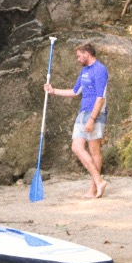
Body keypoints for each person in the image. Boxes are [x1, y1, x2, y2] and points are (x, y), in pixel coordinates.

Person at [43, 42, 109, 198]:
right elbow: (74, 92)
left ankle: (94, 188)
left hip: (95, 113)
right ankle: (99, 181)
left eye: (79, 56)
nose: (78, 59)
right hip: (82, 112)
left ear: (87, 53)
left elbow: (100, 98)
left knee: (94, 150)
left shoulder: (100, 70)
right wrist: (53, 91)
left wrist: (92, 119)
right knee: (76, 147)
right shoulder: (84, 71)